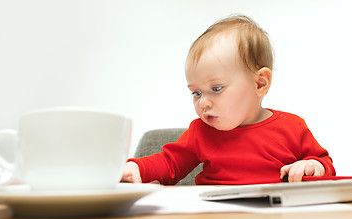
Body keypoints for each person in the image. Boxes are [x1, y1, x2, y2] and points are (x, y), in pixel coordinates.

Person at [121, 15, 335, 185]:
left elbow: (325, 165)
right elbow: (169, 163)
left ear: (260, 84)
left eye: (216, 88)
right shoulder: (201, 132)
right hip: (214, 218)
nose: (203, 102)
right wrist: (137, 168)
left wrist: (314, 166)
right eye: (196, 93)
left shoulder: (292, 127)